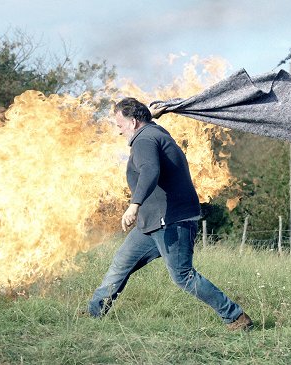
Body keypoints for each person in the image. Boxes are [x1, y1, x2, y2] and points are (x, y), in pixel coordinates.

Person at [86, 97, 252, 331]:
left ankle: (235, 317)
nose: (118, 130)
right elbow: (147, 133)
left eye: (120, 125)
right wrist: (150, 116)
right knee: (121, 264)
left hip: (172, 221)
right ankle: (93, 314)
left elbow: (150, 170)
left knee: (183, 275)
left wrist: (134, 204)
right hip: (152, 223)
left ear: (133, 122)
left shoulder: (144, 141)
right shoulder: (153, 132)